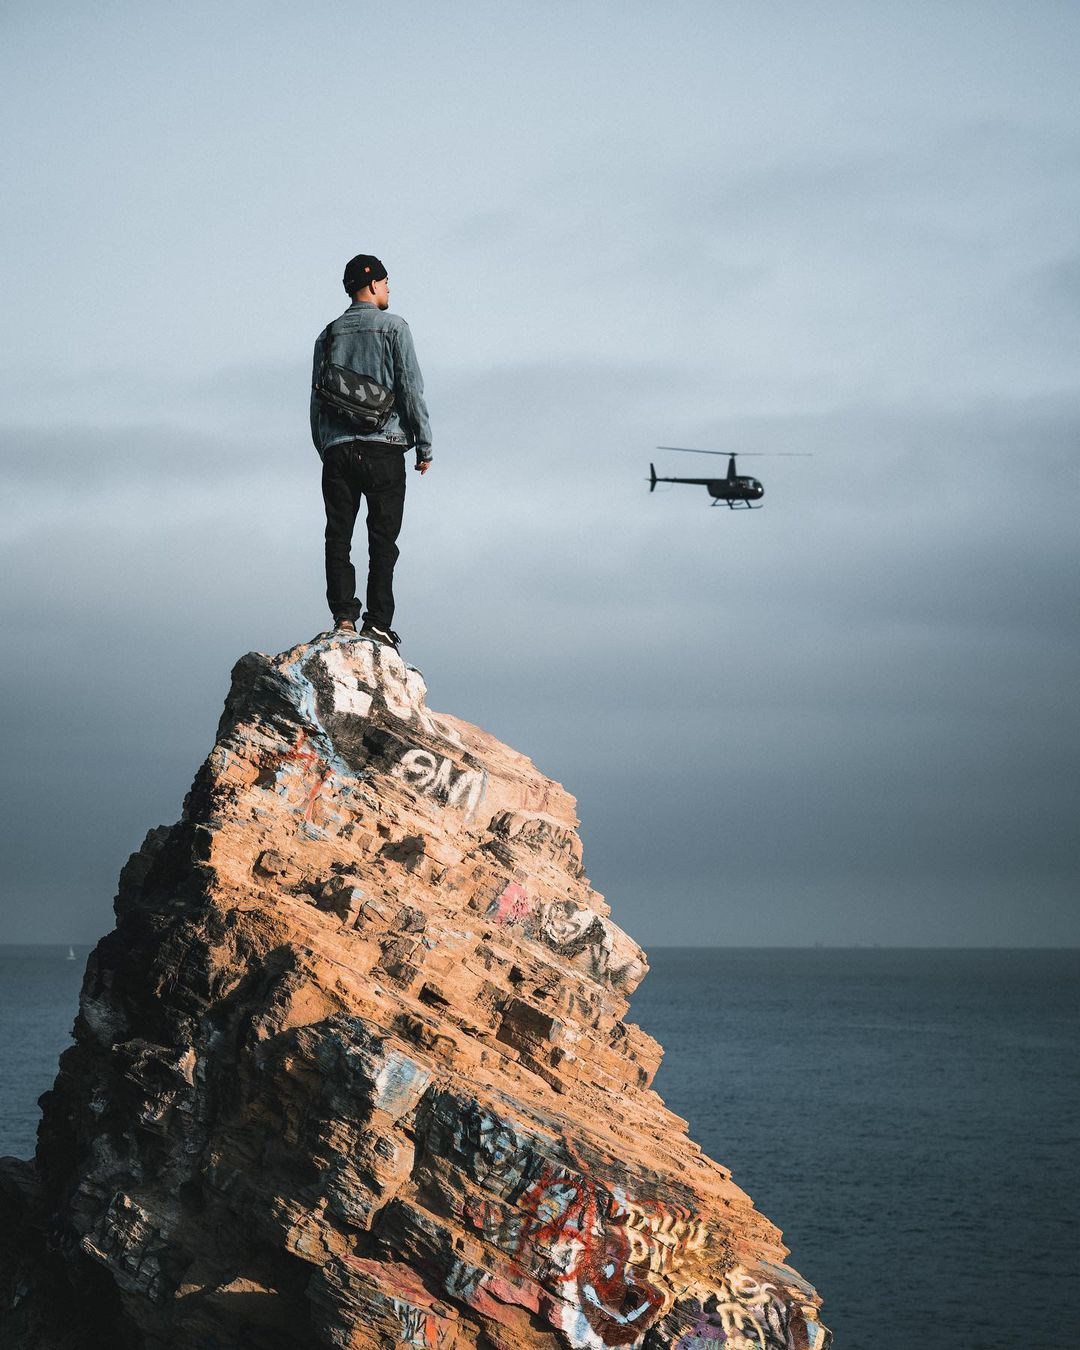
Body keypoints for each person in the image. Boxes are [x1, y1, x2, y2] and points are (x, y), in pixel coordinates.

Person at [310, 254, 432, 650]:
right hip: (385, 448)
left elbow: (317, 402)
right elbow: (411, 388)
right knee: (382, 540)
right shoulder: (395, 328)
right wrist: (424, 444)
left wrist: (327, 447)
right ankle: (377, 623)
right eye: (387, 282)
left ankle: (343, 617)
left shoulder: (327, 335)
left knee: (338, 537)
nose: (390, 289)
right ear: (375, 285)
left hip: (339, 452)